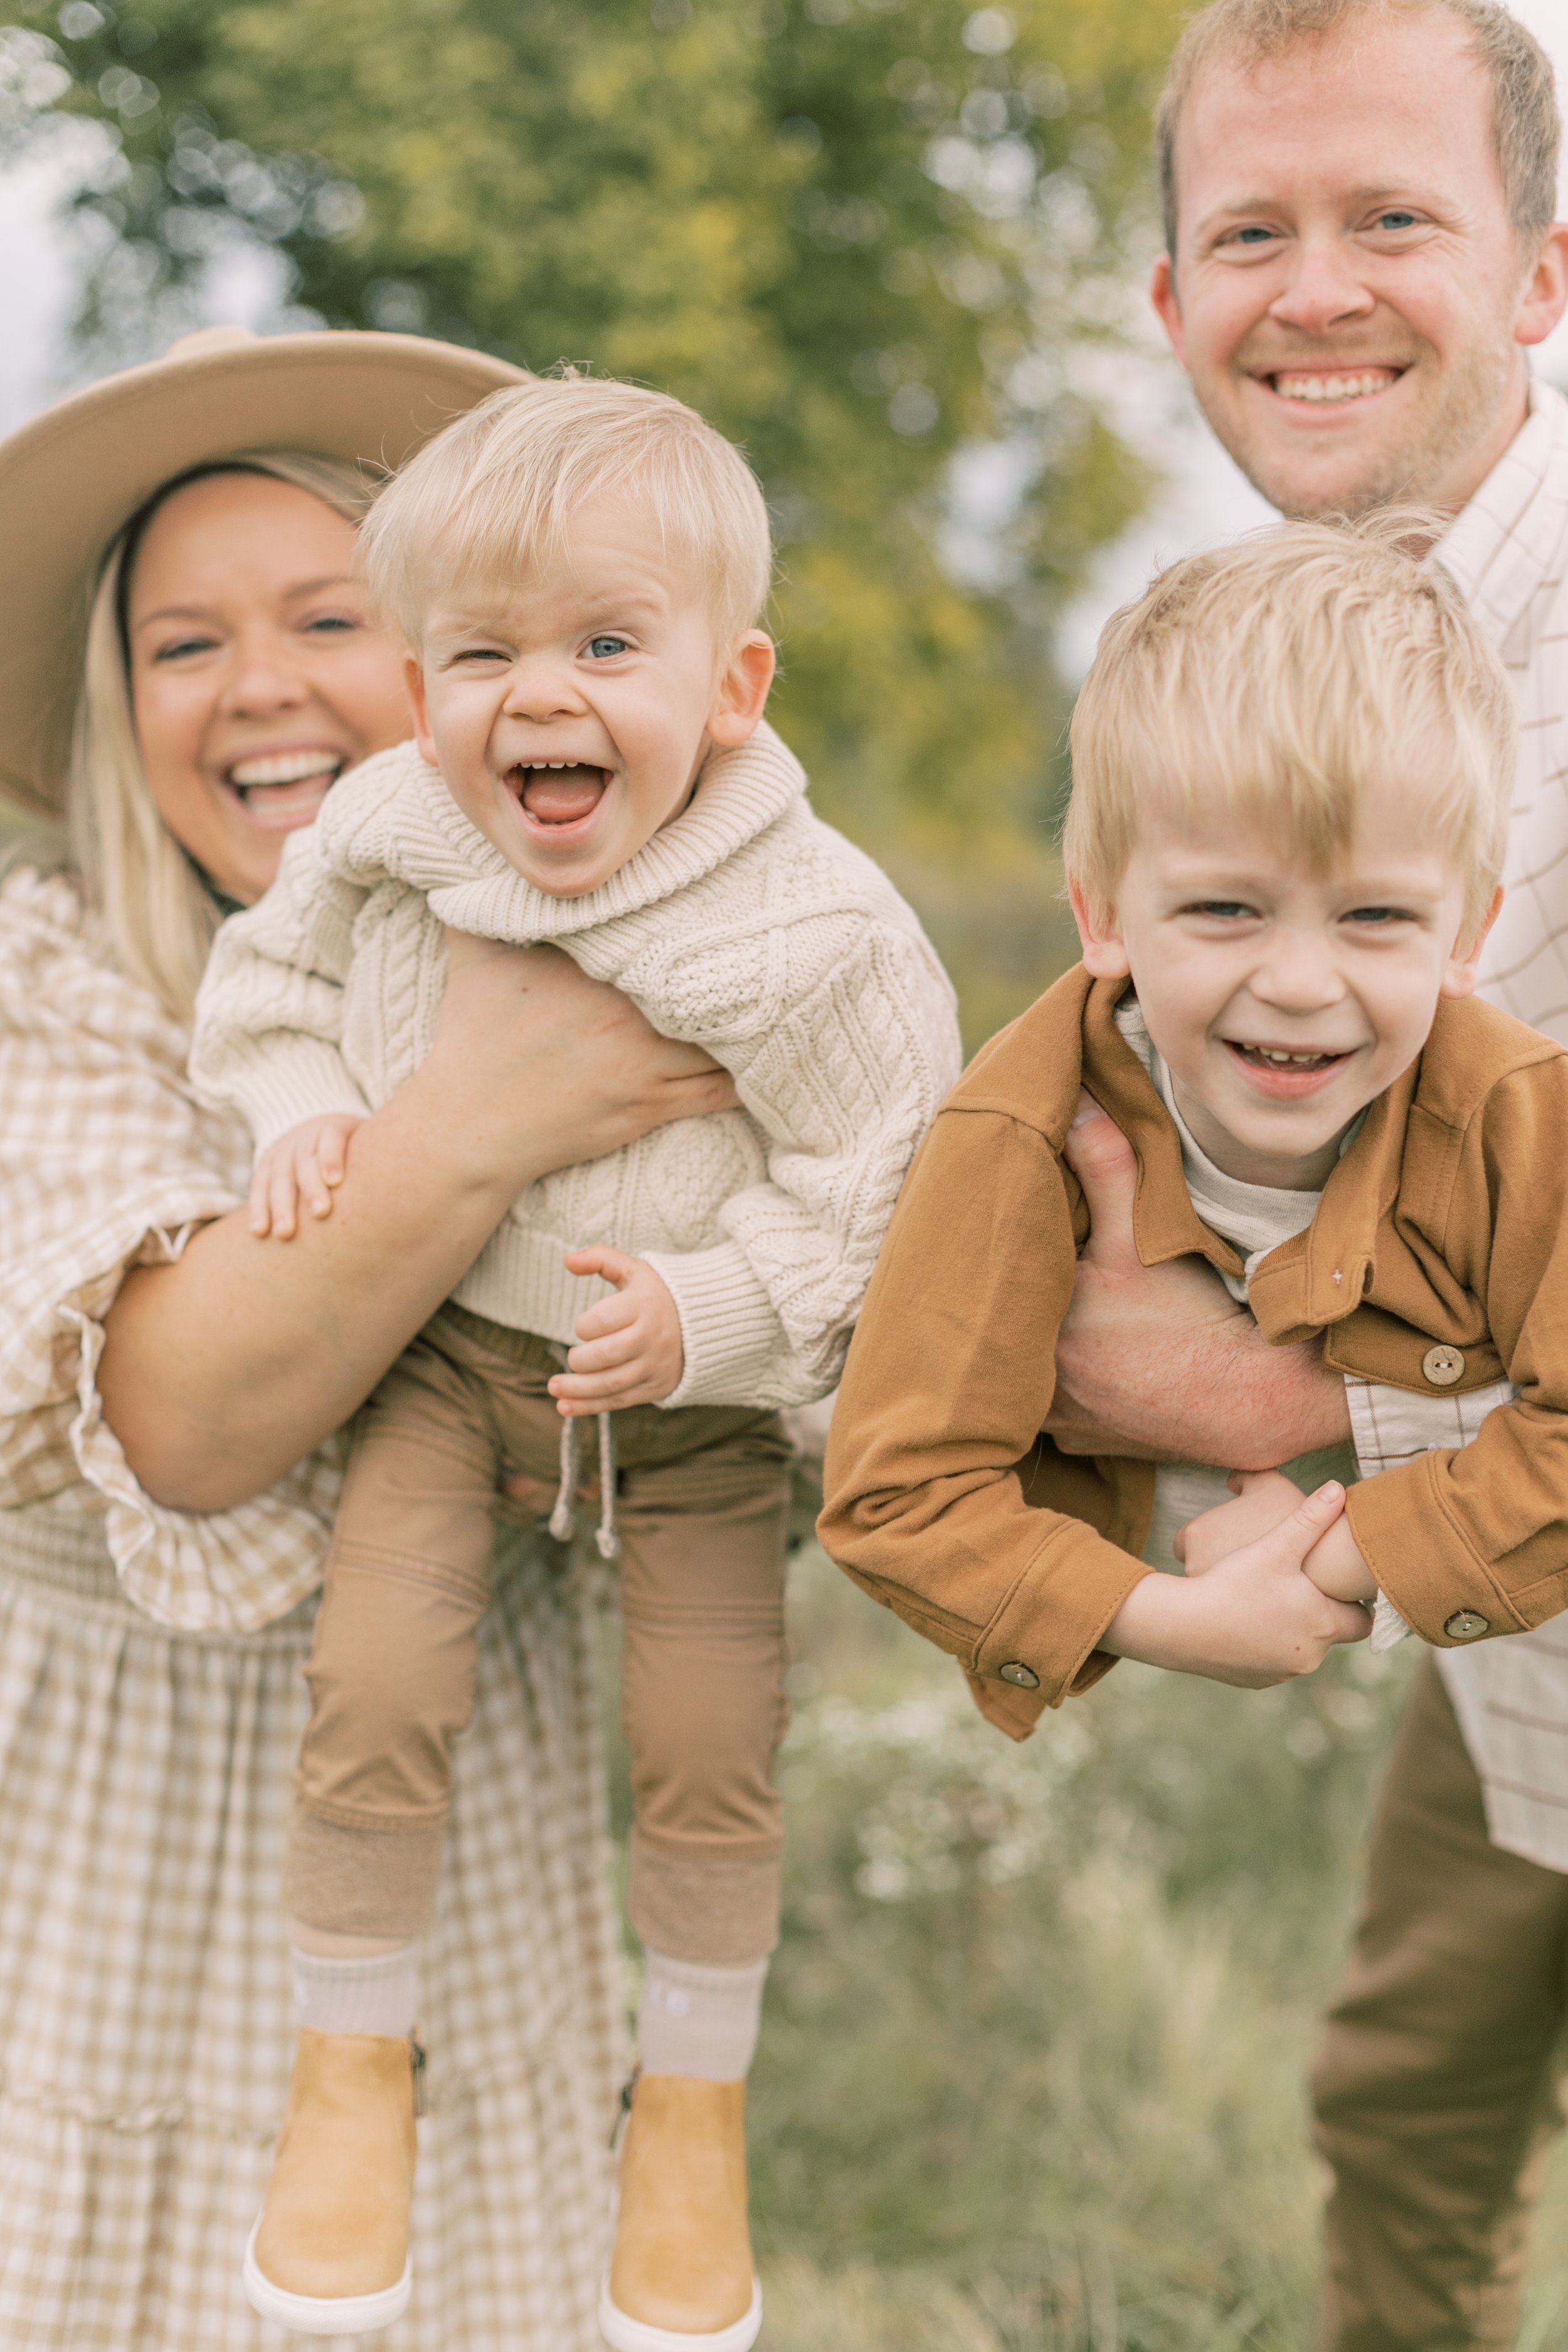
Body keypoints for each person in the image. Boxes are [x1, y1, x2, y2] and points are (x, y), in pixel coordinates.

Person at [189, 373, 962, 2348]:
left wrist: (718, 1310)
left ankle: (690, 2104)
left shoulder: (816, 929)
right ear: (421, 682)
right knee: (376, 1682)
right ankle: (353, 2066)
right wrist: (289, 1107)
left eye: (607, 645)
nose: (538, 698)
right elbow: (263, 979)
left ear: (730, 681)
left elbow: (888, 1177)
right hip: (443, 1357)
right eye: (480, 653)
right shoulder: (392, 821)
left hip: (687, 1400)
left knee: (708, 1742)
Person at [0, 326, 746, 2352]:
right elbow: (183, 1413)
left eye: (330, 617)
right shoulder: (51, 979)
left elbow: (783, 1357)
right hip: (95, 1890)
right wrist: (500, 1106)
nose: (257, 691)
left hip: (454, 1879)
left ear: (449, 664)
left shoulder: (657, 947)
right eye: (180, 645)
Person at [1037, 1, 1568, 2342]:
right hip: (1517, 1653)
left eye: (1392, 221)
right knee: (1407, 2125)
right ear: (1171, 310)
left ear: (1543, 274)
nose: (1313, 290)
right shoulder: (1275, 670)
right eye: (1250, 231)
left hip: (1476, 1515)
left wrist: (1283, 1431)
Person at [820, 515, 1568, 1713]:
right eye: (1227, 908)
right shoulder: (1025, 1132)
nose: (1300, 982)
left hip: (1455, 1637)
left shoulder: (1518, 1118)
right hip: (1115, 1650)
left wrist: (1334, 1562)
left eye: (1374, 917)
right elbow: (895, 1494)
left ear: (1467, 934)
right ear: (1104, 910)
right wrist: (1177, 1621)